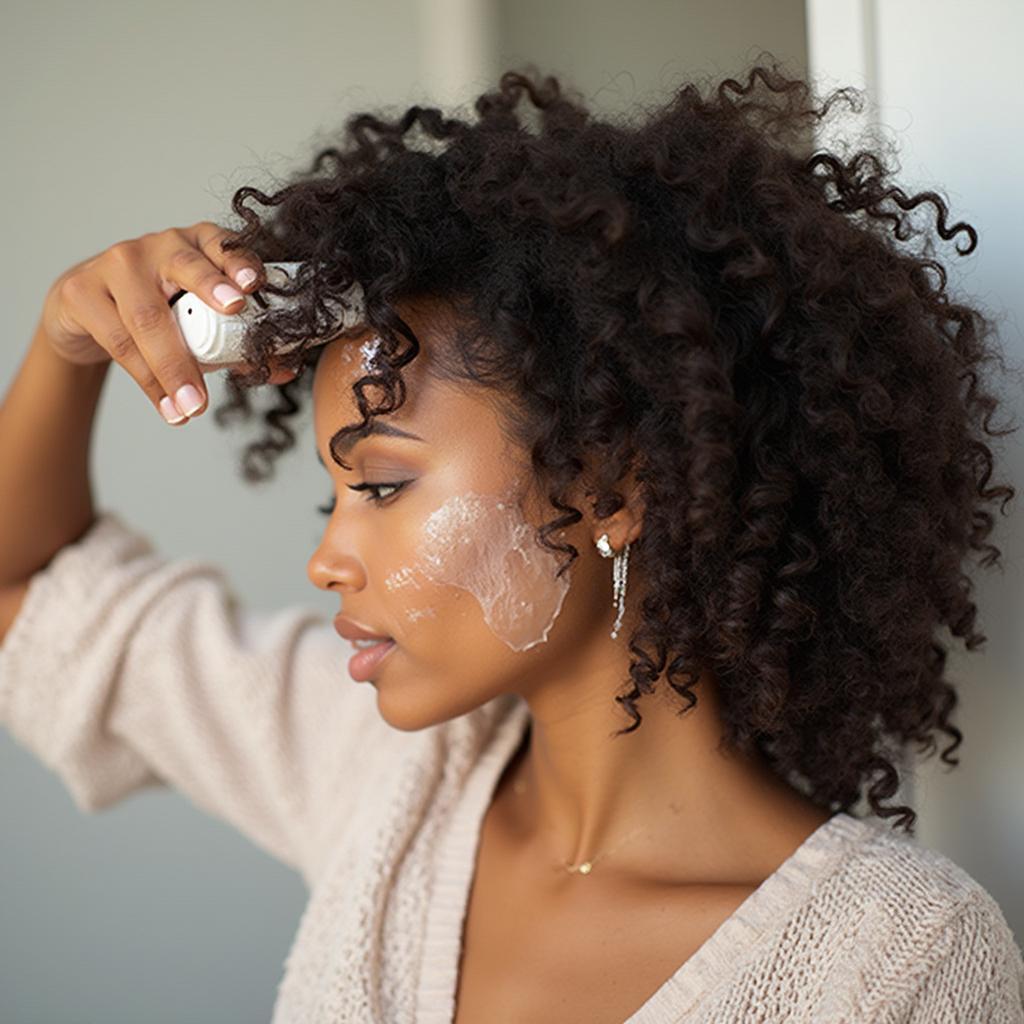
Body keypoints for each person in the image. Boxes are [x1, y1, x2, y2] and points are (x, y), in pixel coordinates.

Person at [1, 60, 1022, 1023]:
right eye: (333, 498)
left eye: (384, 485)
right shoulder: (383, 783)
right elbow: (26, 597)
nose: (327, 559)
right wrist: (66, 347)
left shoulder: (898, 958)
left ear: (616, 486)